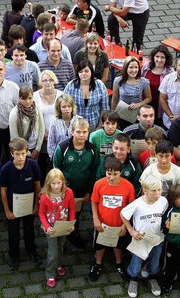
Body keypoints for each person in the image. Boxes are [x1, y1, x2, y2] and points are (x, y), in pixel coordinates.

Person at [0, 138, 43, 271]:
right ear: (12, 153)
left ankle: (31, 251)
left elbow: (37, 185)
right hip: (13, 207)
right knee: (13, 232)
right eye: (17, 154)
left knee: (29, 230)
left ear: (27, 152)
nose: (20, 157)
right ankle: (14, 255)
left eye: (23, 153)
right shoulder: (6, 169)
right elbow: (3, 190)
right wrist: (7, 211)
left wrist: (36, 205)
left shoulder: (33, 165)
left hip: (29, 206)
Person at [53, 117, 97, 249]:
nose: (82, 135)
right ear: (72, 132)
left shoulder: (92, 150)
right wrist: (60, 190)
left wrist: (89, 191)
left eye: (85, 132)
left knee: (76, 214)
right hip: (65, 190)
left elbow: (94, 171)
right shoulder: (63, 148)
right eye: (78, 132)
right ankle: (59, 239)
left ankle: (73, 234)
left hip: (81, 191)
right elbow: (56, 170)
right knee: (61, 213)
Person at [121, 175, 168, 297]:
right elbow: (123, 214)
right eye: (153, 190)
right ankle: (134, 278)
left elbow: (163, 216)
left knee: (155, 262)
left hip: (157, 239)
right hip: (140, 240)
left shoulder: (163, 201)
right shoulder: (137, 204)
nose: (157, 193)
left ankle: (152, 277)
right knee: (136, 263)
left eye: (159, 190)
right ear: (145, 190)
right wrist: (131, 230)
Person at [89, 156, 135, 282]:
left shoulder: (128, 187)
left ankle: (119, 263)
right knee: (100, 245)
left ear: (121, 172)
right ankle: (98, 263)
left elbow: (131, 207)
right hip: (102, 223)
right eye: (109, 174)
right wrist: (95, 219)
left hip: (119, 224)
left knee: (118, 245)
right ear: (105, 172)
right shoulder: (99, 184)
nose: (112, 177)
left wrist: (125, 225)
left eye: (115, 174)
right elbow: (94, 202)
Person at [38, 169, 76, 288]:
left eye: (59, 183)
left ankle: (58, 264)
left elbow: (72, 209)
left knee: (61, 246)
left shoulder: (69, 193)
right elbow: (41, 214)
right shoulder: (45, 197)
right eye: (53, 183)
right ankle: (50, 273)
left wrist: (71, 223)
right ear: (48, 183)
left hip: (63, 226)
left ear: (63, 182)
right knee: (53, 252)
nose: (56, 186)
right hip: (51, 228)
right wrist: (47, 226)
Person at [65, 60, 109, 129]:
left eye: (86, 71)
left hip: (94, 124)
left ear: (91, 71)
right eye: (81, 72)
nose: (83, 74)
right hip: (76, 125)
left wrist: (99, 126)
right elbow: (64, 106)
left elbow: (105, 108)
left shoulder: (100, 85)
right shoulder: (70, 86)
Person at [111, 56, 151, 130]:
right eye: (131, 67)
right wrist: (113, 115)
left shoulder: (143, 82)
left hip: (136, 115)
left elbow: (148, 98)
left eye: (136, 67)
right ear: (126, 68)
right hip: (122, 114)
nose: (134, 70)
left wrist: (138, 104)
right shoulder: (118, 81)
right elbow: (114, 99)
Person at [141, 45, 174, 126]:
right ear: (153, 57)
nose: (159, 60)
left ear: (166, 59)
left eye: (162, 57)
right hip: (145, 102)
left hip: (160, 106)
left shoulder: (170, 72)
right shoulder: (147, 66)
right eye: (157, 56)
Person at [9, 86, 45, 160]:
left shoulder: (37, 108)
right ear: (19, 98)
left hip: (35, 147)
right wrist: (27, 153)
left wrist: (37, 149)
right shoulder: (14, 113)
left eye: (30, 98)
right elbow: (14, 137)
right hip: (22, 151)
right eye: (24, 99)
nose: (28, 101)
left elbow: (42, 128)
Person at [48, 93, 79, 160]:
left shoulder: (79, 120)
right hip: (59, 156)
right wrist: (54, 158)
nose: (67, 109)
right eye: (64, 107)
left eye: (69, 106)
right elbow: (51, 143)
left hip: (75, 156)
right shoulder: (54, 121)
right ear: (59, 108)